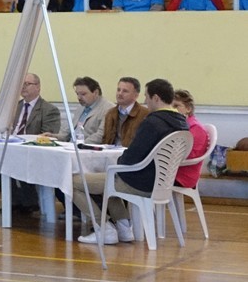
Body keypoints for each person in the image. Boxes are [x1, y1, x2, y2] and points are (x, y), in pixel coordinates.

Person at [76, 78, 188, 244]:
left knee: (73, 183)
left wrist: (118, 162)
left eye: (146, 97)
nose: (145, 101)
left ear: (156, 98)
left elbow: (131, 157)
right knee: (107, 181)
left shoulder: (153, 122)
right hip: (162, 182)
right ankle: (123, 226)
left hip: (138, 182)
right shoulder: (182, 123)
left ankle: (103, 227)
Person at [171, 89, 209, 191]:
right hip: (171, 170)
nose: (172, 109)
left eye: (176, 106)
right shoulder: (177, 125)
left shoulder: (196, 128)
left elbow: (191, 155)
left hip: (183, 175)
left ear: (188, 108)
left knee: (140, 178)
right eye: (170, 106)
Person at [13, 73, 67, 138]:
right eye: (21, 84)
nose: (23, 87)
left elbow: (47, 137)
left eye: (27, 84)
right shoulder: (14, 107)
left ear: (37, 87)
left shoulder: (49, 110)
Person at [102, 76, 148, 147]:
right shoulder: (110, 113)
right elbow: (105, 140)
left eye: (125, 91)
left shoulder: (145, 114)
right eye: (118, 90)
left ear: (136, 95)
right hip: (110, 152)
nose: (120, 93)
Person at [70, 77, 114, 144]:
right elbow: (67, 131)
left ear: (96, 93)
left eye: (83, 94)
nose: (79, 98)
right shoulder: (80, 108)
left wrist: (79, 145)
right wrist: (55, 137)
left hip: (87, 147)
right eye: (77, 94)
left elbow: (101, 135)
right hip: (70, 145)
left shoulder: (108, 109)